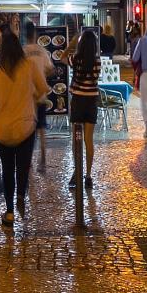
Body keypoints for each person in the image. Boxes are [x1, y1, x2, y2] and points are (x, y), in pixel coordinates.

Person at [0, 31, 45, 228]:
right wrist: (30, 96)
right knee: (23, 167)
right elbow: (43, 88)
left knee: (8, 170)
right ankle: (21, 195)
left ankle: (9, 212)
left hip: (3, 131)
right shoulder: (29, 67)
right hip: (25, 127)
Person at [66, 28, 101, 193]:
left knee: (76, 139)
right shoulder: (97, 61)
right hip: (91, 101)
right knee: (88, 139)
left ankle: (77, 170)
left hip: (78, 100)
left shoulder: (76, 59)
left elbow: (61, 57)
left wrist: (72, 43)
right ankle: (88, 175)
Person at [22, 23, 55, 175]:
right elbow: (51, 69)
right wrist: (42, 75)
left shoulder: (22, 52)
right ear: (34, 35)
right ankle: (42, 159)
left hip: (27, 95)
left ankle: (27, 162)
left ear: (24, 35)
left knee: (27, 130)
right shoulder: (42, 51)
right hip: (41, 94)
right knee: (41, 128)